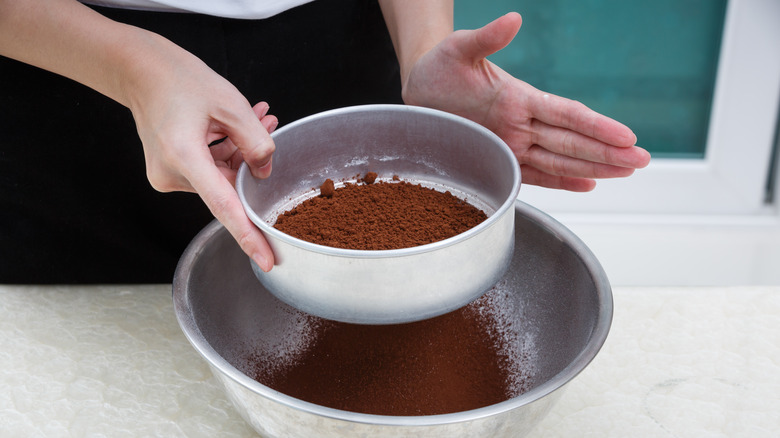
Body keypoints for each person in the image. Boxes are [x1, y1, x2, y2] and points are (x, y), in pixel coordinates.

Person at [0, 0, 650, 284]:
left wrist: (422, 47)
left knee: (367, 326)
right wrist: (135, 71)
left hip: (340, 43)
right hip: (74, 64)